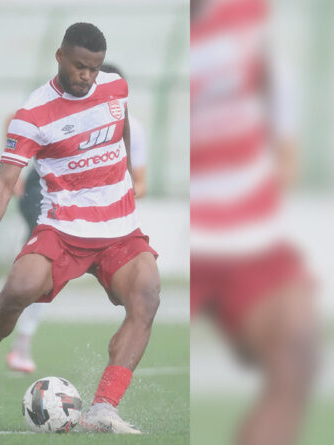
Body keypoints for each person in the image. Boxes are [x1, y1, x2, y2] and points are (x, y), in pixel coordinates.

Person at [0, 23, 160, 435]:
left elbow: (123, 133)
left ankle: (104, 407)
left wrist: (123, 179)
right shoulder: (32, 114)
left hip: (120, 228)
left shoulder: (116, 87)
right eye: (80, 66)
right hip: (62, 228)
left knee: (148, 299)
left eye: (94, 68)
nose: (87, 76)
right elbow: (3, 181)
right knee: (17, 289)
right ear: (60, 57)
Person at [0, 62, 149, 374]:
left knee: (31, 277)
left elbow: (139, 175)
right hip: (45, 197)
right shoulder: (48, 107)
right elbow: (15, 121)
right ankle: (19, 342)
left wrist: (123, 186)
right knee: (33, 273)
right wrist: (17, 168)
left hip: (104, 217)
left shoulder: (127, 118)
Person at [190, 1, 317, 443]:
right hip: (200, 236)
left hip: (246, 231)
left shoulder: (248, 23)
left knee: (296, 357)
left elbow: (284, 150)